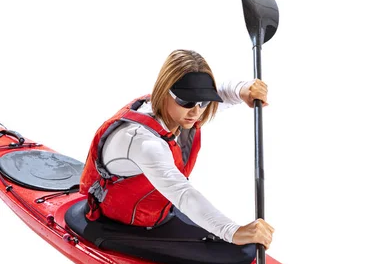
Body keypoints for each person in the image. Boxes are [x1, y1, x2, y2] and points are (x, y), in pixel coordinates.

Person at [80, 49, 274, 251]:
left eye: (203, 101)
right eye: (186, 101)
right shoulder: (143, 142)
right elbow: (182, 194)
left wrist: (244, 89)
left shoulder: (179, 113)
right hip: (116, 223)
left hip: (157, 214)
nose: (196, 111)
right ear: (164, 92)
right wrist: (233, 231)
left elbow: (224, 91)